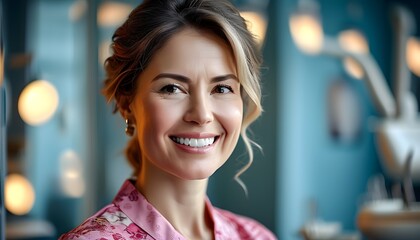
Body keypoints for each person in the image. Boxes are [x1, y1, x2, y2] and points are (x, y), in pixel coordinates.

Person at [60, 0, 276, 239]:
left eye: (222, 89)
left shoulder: (256, 236)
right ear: (126, 103)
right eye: (172, 88)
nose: (202, 115)